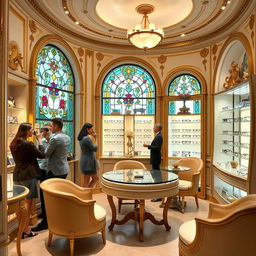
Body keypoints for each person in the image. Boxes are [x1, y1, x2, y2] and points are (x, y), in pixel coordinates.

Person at [32, 118, 70, 232]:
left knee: (46, 197)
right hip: (63, 169)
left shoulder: (56, 139)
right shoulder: (66, 136)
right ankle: (56, 217)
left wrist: (39, 140)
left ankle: (46, 223)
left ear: (57, 126)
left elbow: (45, 154)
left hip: (54, 171)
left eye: (52, 126)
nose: (50, 128)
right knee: (57, 196)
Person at [10, 123, 45, 238]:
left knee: (19, 204)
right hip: (29, 175)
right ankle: (26, 230)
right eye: (31, 130)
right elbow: (42, 155)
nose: (33, 132)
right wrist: (40, 140)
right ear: (26, 131)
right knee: (27, 204)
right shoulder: (28, 144)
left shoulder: (13, 143)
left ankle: (21, 228)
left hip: (17, 175)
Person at [143, 123, 163, 202]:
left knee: (157, 177)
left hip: (156, 159)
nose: (153, 128)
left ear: (157, 128)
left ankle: (159, 196)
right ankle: (157, 195)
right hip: (155, 158)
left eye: (154, 127)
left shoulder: (159, 136)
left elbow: (157, 148)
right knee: (155, 177)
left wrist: (148, 146)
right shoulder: (158, 135)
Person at [37, 123, 51, 220]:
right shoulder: (42, 141)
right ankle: (44, 212)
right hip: (43, 168)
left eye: (48, 129)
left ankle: (49, 214)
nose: (45, 131)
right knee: (42, 193)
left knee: (49, 193)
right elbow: (41, 154)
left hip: (50, 169)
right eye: (44, 129)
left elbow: (47, 154)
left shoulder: (54, 141)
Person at [78, 123, 99, 188]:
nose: (92, 131)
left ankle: (87, 194)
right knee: (91, 179)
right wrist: (96, 138)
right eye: (91, 129)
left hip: (86, 160)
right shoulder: (86, 138)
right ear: (87, 129)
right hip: (89, 161)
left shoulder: (82, 138)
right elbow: (95, 148)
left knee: (87, 180)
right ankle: (86, 194)